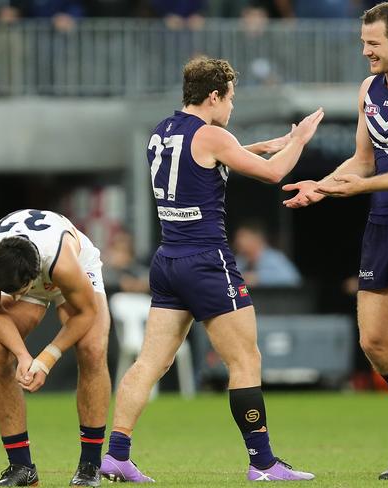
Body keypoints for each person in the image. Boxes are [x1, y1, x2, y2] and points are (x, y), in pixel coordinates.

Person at [99, 56, 323, 483]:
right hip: (206, 260)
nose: (232, 108)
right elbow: (273, 173)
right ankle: (263, 463)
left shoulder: (161, 131)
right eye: (231, 99)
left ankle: (117, 456)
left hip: (167, 261)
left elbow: (204, 161)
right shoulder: (213, 136)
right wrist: (300, 139)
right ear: (214, 96)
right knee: (246, 360)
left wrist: (260, 146)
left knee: (149, 362)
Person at [282, 2, 388, 479]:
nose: (366, 53)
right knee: (374, 342)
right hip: (381, 223)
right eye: (364, 43)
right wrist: (319, 187)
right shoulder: (369, 90)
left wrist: (362, 187)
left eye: (373, 44)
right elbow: (363, 159)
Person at [0, 209, 110, 487]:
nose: (17, 298)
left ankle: (90, 466)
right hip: (26, 272)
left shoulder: (64, 264)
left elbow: (85, 313)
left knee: (92, 349)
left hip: (75, 268)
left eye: (20, 291)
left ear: (33, 277)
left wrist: (46, 358)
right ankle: (21, 467)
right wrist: (22, 355)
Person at [233, 220, 302, 287]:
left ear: (256, 239)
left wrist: (258, 278)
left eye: (243, 237)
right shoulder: (240, 260)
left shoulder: (273, 258)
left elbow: (293, 279)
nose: (238, 241)